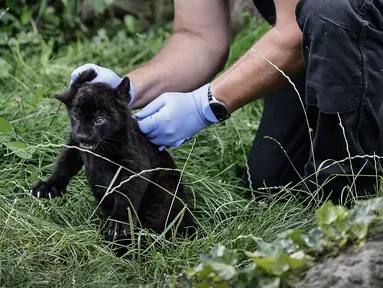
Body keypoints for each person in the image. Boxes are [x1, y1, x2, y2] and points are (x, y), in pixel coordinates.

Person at [70, 0, 383, 205]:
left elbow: (297, 32)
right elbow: (199, 37)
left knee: (332, 9)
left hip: (357, 28)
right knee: (271, 184)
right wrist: (125, 91)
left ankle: (353, 208)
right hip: (332, 42)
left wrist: (206, 103)